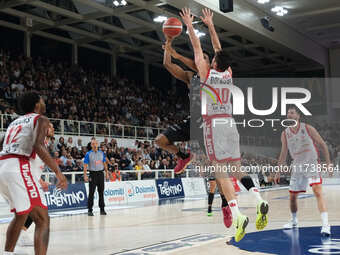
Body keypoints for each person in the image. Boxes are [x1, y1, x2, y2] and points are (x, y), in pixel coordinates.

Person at [181, 7, 269, 241]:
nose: (213, 55)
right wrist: (210, 25)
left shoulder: (207, 73)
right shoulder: (228, 73)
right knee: (237, 168)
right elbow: (219, 49)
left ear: (215, 64)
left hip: (215, 125)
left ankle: (238, 215)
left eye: (215, 57)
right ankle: (259, 198)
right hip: (231, 124)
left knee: (220, 172)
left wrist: (190, 26)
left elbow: (197, 47)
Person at [0, 91, 67, 255]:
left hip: (3, 166)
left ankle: (8, 253)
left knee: (21, 215)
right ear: (37, 104)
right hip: (18, 166)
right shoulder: (41, 119)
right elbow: (38, 146)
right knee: (42, 219)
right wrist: (58, 173)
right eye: (42, 100)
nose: (44, 102)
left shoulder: (14, 123)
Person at [275, 106, 332, 236]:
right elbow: (283, 154)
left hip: (311, 162)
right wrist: (278, 171)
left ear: (298, 116)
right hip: (297, 166)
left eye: (292, 112)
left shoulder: (307, 128)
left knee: (317, 191)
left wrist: (328, 163)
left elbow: (322, 145)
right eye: (288, 113)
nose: (289, 115)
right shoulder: (285, 133)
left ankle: (325, 225)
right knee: (292, 197)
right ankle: (294, 221)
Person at [17, 123, 55, 247]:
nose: (53, 128)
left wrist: (41, 180)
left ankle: (20, 234)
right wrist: (39, 181)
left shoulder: (45, 144)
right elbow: (27, 164)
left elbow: (36, 166)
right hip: (26, 179)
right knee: (38, 211)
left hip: (32, 180)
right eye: (50, 126)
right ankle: (20, 235)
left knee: (32, 210)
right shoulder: (37, 143)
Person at [83, 139, 109, 216]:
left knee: (101, 192)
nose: (94, 145)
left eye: (96, 143)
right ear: (91, 145)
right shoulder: (88, 154)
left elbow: (104, 163)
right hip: (92, 174)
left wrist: (107, 173)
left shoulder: (101, 153)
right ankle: (90, 210)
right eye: (93, 144)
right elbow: (85, 165)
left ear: (98, 145)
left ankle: (102, 209)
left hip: (100, 174)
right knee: (91, 192)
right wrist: (85, 175)